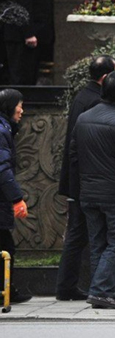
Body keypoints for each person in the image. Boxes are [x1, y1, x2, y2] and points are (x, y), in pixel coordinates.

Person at [70, 71, 115, 309]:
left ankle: (106, 288)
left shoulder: (83, 118)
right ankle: (101, 290)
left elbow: (73, 154)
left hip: (89, 192)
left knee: (98, 243)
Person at [56, 55, 115, 302]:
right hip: (88, 181)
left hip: (80, 179)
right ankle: (94, 287)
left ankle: (68, 285)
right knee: (88, 235)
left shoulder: (83, 96)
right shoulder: (95, 102)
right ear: (105, 78)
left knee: (79, 234)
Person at [0, 89, 31, 303]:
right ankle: (5, 291)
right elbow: (2, 168)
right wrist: (16, 199)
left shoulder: (5, 129)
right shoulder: (2, 130)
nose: (22, 110)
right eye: (19, 105)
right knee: (6, 247)